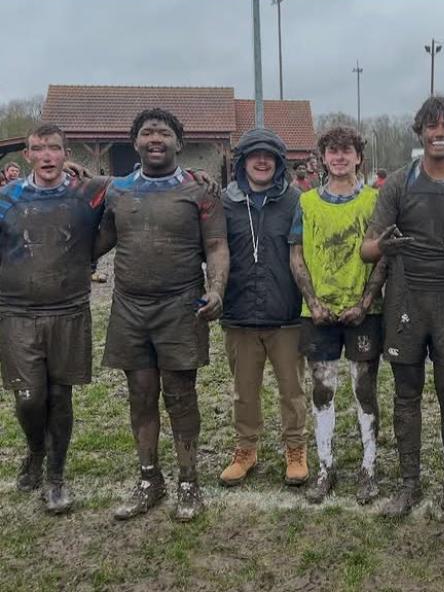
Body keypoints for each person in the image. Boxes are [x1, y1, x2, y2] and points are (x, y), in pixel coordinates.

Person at [361, 96, 444, 530]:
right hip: (405, 299)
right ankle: (409, 483)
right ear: (419, 132)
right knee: (406, 394)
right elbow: (367, 248)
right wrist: (383, 246)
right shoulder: (398, 183)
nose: (440, 133)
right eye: (432, 126)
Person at [94, 108, 229, 522]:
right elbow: (97, 241)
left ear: (179, 143)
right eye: (148, 132)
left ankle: (189, 482)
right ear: (134, 142)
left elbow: (216, 246)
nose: (156, 139)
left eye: (164, 133)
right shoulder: (117, 191)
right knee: (140, 394)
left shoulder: (200, 191)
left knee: (180, 395)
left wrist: (216, 289)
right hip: (130, 308)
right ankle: (149, 479)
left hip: (181, 307)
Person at [0, 124, 108, 514]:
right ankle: (35, 450)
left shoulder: (87, 193)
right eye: (38, 148)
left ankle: (55, 477)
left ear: (66, 154)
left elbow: (137, 186)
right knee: (29, 398)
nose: (46, 155)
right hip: (17, 313)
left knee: (61, 396)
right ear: (26, 155)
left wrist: (193, 176)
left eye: (54, 148)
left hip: (69, 310)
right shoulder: (7, 198)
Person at [289, 126, 387, 504]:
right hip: (318, 314)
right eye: (333, 150)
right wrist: (313, 302)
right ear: (323, 158)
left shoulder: (375, 201)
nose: (340, 157)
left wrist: (365, 302)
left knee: (365, 389)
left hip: (364, 313)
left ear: (358, 157)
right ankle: (325, 467)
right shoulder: (306, 203)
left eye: (347, 150)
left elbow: (384, 256)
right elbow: (296, 255)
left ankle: (368, 468)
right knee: (322, 389)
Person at [217, 127, 309, 488]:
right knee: (244, 391)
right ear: (242, 162)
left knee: (292, 390)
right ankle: (246, 449)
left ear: (278, 163)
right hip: (239, 314)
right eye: (254, 155)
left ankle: (296, 448)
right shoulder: (224, 203)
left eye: (268, 156)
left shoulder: (296, 201)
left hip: (285, 315)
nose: (261, 161)